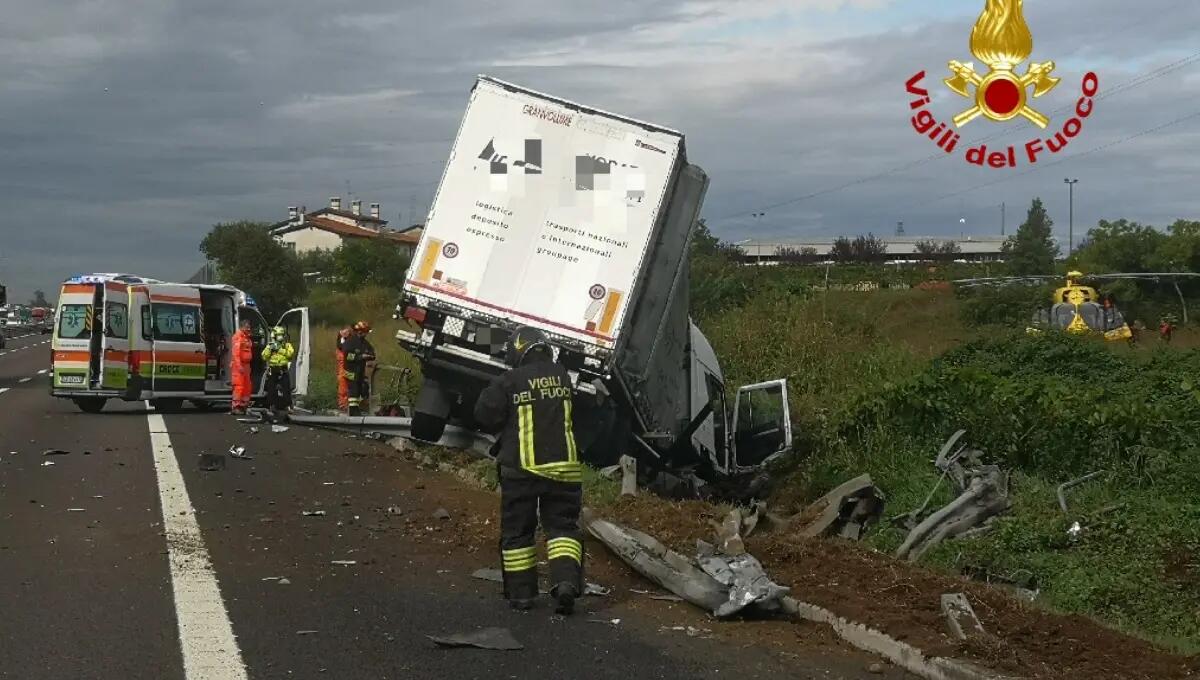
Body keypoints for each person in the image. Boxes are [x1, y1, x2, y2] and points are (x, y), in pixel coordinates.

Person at [473, 326, 583, 615]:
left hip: (520, 471)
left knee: (518, 533)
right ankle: (565, 585)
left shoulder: (509, 380)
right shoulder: (563, 378)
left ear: (518, 350)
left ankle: (522, 595)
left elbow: (484, 415)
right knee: (562, 530)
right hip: (564, 470)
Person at [342, 321, 376, 416]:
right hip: (350, 371)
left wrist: (369, 356)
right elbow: (347, 356)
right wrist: (360, 357)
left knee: (363, 389)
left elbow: (373, 354)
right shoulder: (350, 342)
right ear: (360, 331)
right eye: (365, 332)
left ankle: (359, 408)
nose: (366, 334)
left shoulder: (365, 343)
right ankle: (353, 411)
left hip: (360, 370)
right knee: (354, 391)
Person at [261, 326, 295, 420]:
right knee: (271, 389)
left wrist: (280, 349)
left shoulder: (287, 345)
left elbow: (290, 354)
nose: (280, 337)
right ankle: (272, 406)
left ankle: (288, 406)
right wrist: (270, 349)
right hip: (273, 369)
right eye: (278, 335)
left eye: (281, 335)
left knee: (286, 389)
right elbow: (264, 356)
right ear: (274, 336)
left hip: (283, 370)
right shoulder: (270, 345)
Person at [230, 319, 254, 414]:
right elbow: (236, 354)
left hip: (246, 365)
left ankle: (244, 405)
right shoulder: (238, 337)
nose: (248, 329)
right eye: (247, 327)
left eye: (249, 327)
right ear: (242, 327)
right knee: (239, 386)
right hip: (238, 365)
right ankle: (236, 406)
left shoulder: (247, 337)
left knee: (247, 386)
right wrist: (239, 365)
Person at [336, 327, 352, 411]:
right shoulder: (341, 348)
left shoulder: (342, 346)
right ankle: (344, 406)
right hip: (344, 372)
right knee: (344, 391)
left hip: (346, 371)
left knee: (348, 390)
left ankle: (346, 406)